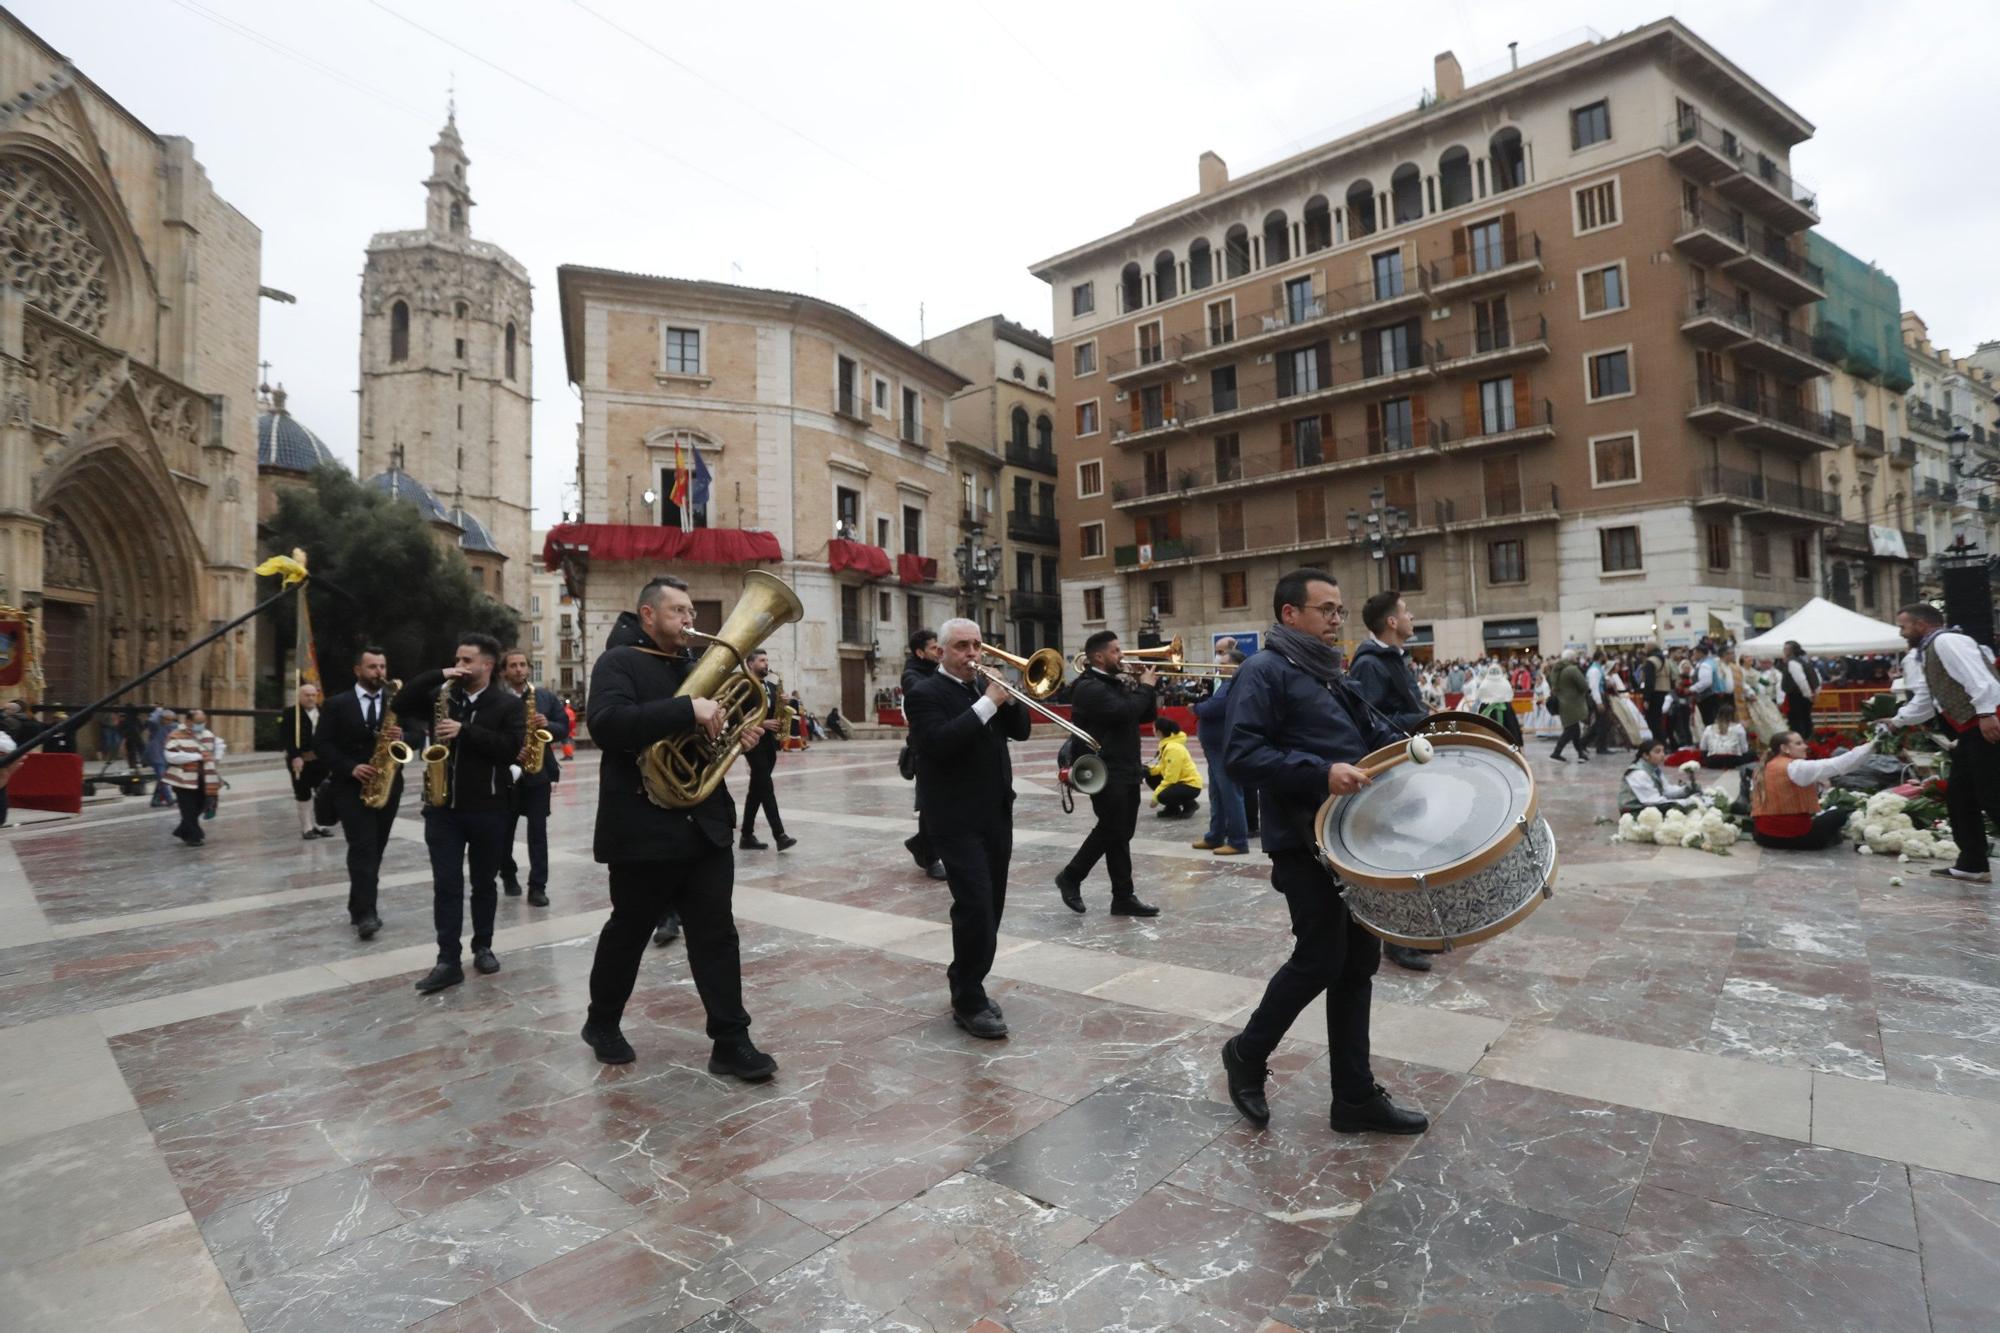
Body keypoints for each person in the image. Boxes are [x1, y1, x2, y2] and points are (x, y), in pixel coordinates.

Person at [1219, 568, 1428, 1137]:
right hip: (1302, 841)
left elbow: (1360, 739)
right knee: (1319, 957)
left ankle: (1353, 1095)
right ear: (1291, 614)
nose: (1338, 619)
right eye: (1326, 610)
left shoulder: (1328, 672)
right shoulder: (1265, 671)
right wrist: (1319, 772)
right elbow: (1241, 756)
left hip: (1351, 839)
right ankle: (1247, 1052)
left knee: (1358, 963)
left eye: (1339, 609)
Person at [580, 576, 774, 1077]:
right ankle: (602, 1022)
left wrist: (734, 737)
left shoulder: (694, 666)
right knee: (629, 930)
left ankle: (731, 1041)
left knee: (716, 935)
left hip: (703, 825)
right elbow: (606, 725)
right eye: (679, 611)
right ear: (648, 615)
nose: (691, 620)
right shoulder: (618, 662)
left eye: (692, 611)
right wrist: (688, 708)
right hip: (643, 828)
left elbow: (706, 743)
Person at [904, 616, 1031, 1039]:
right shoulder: (925, 694)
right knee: (974, 906)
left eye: (977, 645)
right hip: (955, 819)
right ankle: (968, 998)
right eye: (962, 646)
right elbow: (939, 743)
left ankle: (970, 980)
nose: (973, 654)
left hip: (995, 813)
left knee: (992, 906)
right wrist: (989, 703)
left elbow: (1023, 732)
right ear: (941, 652)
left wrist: (1011, 699)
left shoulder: (984, 688)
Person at [397, 634, 524, 995]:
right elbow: (402, 700)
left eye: (467, 661)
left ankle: (482, 946)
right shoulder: (444, 697)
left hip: (488, 808)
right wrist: (440, 672)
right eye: (457, 659)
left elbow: (510, 749)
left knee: (484, 883)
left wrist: (465, 731)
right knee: (447, 885)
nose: (460, 666)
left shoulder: (506, 705)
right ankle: (447, 960)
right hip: (442, 810)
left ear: (487, 665)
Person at [1883, 602, 2000, 883]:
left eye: (1903, 626)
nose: (1901, 632)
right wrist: (1896, 721)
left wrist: (1986, 713)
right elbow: (1927, 699)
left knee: (1993, 795)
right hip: (1970, 731)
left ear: (1921, 625)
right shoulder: (1927, 652)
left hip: (1986, 725)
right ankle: (1973, 863)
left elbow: (1979, 678)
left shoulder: (1948, 641)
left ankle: (1973, 862)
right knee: (1960, 796)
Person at [1055, 630, 1161, 917]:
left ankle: (1123, 896)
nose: (1122, 655)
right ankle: (1071, 876)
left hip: (1125, 767)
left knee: (1121, 833)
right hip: (1103, 769)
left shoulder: (1114, 683)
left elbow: (1145, 715)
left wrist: (1146, 686)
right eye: (1115, 651)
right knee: (1112, 828)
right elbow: (1123, 712)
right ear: (1099, 657)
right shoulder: (1088, 687)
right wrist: (1145, 688)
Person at [312, 648, 405, 940]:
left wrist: (404, 736)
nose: (379, 672)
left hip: (387, 785)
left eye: (382, 666)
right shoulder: (337, 704)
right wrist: (351, 768)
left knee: (374, 849)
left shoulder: (397, 702)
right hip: (350, 787)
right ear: (357, 670)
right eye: (372, 667)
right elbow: (322, 744)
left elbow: (417, 733)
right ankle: (367, 913)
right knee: (363, 847)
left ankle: (357, 904)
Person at [499, 650, 572, 906]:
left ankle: (537, 887)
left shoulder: (544, 697)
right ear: (504, 672)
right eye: (513, 665)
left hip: (537, 773)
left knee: (538, 833)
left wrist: (548, 725)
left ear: (528, 669)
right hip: (506, 774)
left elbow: (564, 728)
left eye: (522, 665)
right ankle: (508, 874)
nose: (518, 669)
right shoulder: (496, 699)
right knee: (503, 832)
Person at [1749, 731, 1879, 850]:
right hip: (1791, 837)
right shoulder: (1795, 767)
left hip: (1762, 836)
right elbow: (1840, 764)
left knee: (1825, 816)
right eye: (1798, 743)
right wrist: (1874, 744)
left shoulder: (1766, 766)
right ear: (1784, 748)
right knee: (1839, 814)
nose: (1805, 746)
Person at [897, 629, 949, 881]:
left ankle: (921, 844)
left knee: (939, 803)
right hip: (924, 749)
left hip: (943, 743)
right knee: (930, 806)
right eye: (933, 648)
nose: (939, 651)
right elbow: (928, 695)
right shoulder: (911, 675)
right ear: (920, 652)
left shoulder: (934, 670)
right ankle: (930, 857)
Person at [737, 649, 796, 853]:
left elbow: (776, 713)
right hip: (752, 741)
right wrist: (763, 722)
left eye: (767, 660)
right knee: (766, 786)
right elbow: (736, 716)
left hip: (769, 742)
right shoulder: (743, 685)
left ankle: (746, 835)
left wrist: (784, 703)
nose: (766, 663)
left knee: (758, 788)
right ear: (750, 663)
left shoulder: (771, 686)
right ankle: (780, 835)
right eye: (762, 660)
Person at [1190, 651, 1248, 856]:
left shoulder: (1233, 683)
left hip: (1223, 746)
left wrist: (1196, 707)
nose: (1219, 667)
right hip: (1215, 747)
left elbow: (1213, 708)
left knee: (1231, 794)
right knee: (1217, 794)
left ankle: (1238, 840)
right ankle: (1215, 835)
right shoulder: (1224, 683)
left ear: (1237, 666)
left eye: (1224, 664)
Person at [1347, 591, 1429, 735]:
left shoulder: (1393, 658)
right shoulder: (1368, 664)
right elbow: (1370, 722)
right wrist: (1421, 720)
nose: (1411, 616)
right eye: (1406, 612)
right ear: (1392, 622)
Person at [283, 683, 336, 841]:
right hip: (300, 760)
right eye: (307, 695)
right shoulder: (291, 713)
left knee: (322, 791)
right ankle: (307, 827)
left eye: (313, 695)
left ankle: (321, 824)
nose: (311, 698)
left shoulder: (324, 712)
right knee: (303, 793)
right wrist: (295, 756)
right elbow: (287, 738)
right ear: (300, 696)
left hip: (321, 760)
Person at [162, 708, 217, 846]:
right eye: (198, 721)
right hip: (183, 780)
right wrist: (197, 756)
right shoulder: (175, 735)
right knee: (188, 808)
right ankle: (194, 837)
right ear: (188, 721)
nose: (201, 724)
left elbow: (214, 751)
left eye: (203, 721)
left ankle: (182, 831)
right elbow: (171, 756)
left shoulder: (208, 734)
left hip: (205, 778)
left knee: (201, 805)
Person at [1618, 740, 1700, 814]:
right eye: (1657, 752)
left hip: (1650, 805)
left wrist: (1686, 790)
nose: (1662, 755)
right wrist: (1683, 802)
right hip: (1635, 810)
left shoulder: (1654, 769)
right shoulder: (1639, 773)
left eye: (1663, 751)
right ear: (1646, 755)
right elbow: (1652, 800)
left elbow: (1666, 790)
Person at [1146, 717, 1203, 818]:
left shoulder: (1173, 748)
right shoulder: (1167, 744)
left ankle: (1190, 804)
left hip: (1190, 785)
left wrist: (1155, 797)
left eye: (1153, 728)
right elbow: (1164, 768)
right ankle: (1172, 808)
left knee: (1161, 796)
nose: (1152, 730)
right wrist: (1149, 770)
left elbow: (1171, 778)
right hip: (1180, 782)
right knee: (1150, 777)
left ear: (1159, 732)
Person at [1548, 650, 1592, 762]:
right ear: (1571, 658)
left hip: (1563, 704)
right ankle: (1556, 753)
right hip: (1573, 705)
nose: (1577, 659)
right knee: (1570, 730)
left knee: (1574, 730)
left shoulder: (1558, 670)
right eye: (1575, 657)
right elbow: (1583, 686)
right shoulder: (1572, 669)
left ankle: (1580, 754)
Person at [1781, 640, 1820, 740]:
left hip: (1797, 696)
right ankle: (1807, 739)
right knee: (1805, 719)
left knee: (1797, 721)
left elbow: (1801, 680)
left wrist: (1808, 694)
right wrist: (1815, 692)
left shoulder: (1793, 662)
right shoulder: (1804, 661)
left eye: (1786, 648)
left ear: (1792, 650)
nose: (1784, 650)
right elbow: (1816, 678)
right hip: (1803, 695)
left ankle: (1800, 741)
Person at [1698, 700, 1752, 769]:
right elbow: (1744, 749)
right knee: (1751, 753)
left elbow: (1703, 747)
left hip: (1712, 761)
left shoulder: (1709, 728)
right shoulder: (1738, 727)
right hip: (1734, 760)